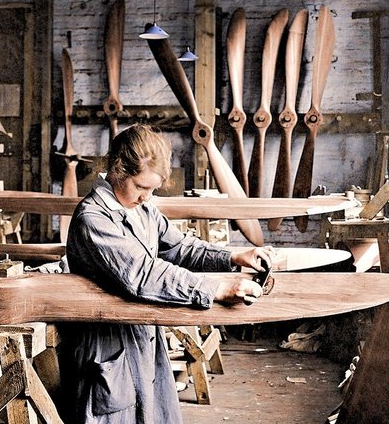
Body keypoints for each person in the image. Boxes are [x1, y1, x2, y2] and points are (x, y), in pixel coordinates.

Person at [61, 123, 274, 424]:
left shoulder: (142, 209)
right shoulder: (93, 219)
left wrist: (234, 256)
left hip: (143, 337)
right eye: (140, 187)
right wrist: (215, 288)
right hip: (107, 346)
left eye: (152, 189)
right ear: (118, 170)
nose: (147, 197)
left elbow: (179, 248)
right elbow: (142, 274)